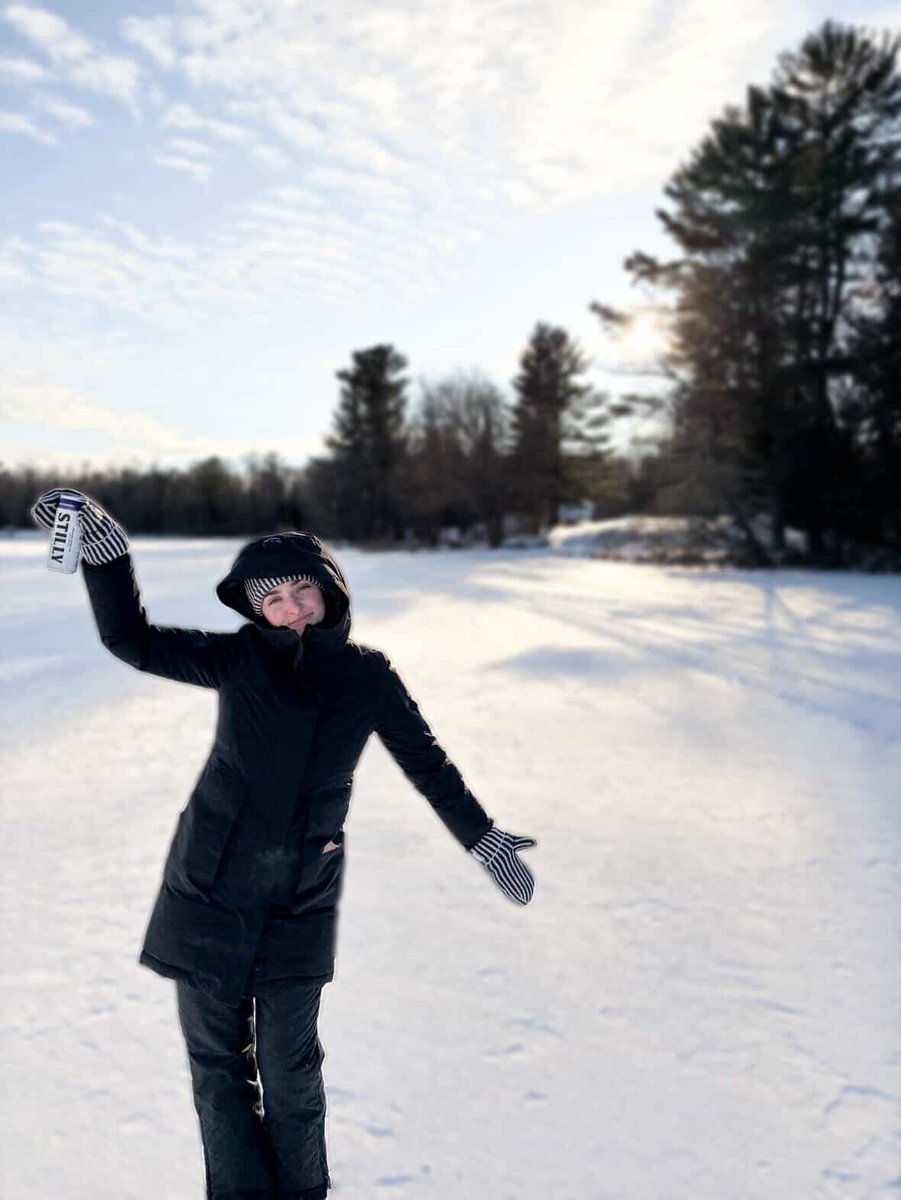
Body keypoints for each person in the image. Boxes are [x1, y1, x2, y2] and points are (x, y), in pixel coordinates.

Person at [31, 488, 537, 1200]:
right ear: (255, 610)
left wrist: (481, 838)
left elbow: (425, 761)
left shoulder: (367, 675)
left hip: (299, 897)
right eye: (274, 599)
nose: (293, 608)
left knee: (291, 1073)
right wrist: (108, 561)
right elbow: (132, 640)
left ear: (330, 591)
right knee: (216, 1069)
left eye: (305, 590)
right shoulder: (237, 661)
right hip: (207, 889)